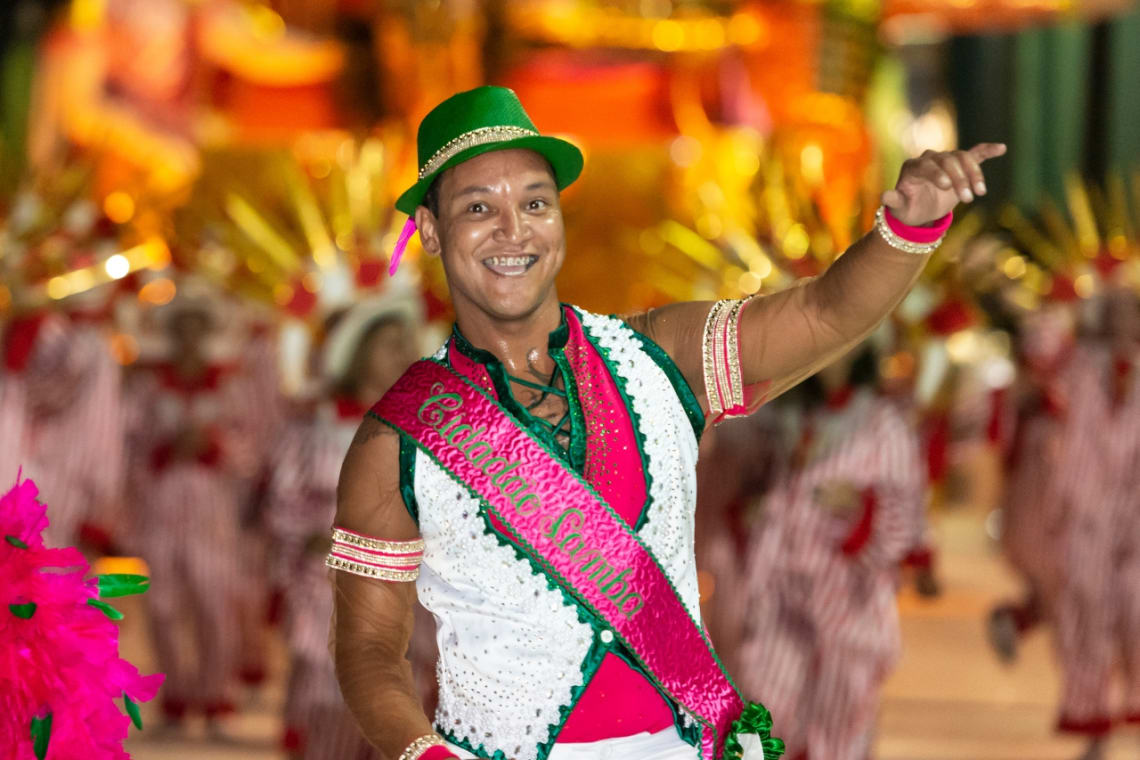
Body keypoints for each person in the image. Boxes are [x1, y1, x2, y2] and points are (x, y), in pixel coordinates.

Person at [329, 85, 1004, 760]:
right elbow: (368, 648)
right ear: (431, 229)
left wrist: (908, 228)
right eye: (479, 208)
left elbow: (824, 314)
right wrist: (425, 754)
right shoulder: (396, 442)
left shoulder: (657, 355)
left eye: (534, 203)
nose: (514, 230)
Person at [734, 346, 925, 760]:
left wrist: (860, 508)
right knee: (763, 704)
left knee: (840, 724)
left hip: (848, 601)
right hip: (779, 589)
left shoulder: (882, 424)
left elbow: (903, 517)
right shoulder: (786, 415)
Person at [266, 296, 425, 760]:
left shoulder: (427, 429)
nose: (403, 354)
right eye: (389, 344)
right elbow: (284, 503)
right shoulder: (317, 426)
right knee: (331, 695)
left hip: (409, 593)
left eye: (407, 344)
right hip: (328, 584)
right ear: (357, 353)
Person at [123, 294, 256, 736]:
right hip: (161, 502)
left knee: (214, 601)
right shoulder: (149, 386)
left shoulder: (229, 385)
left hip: (212, 506)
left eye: (197, 328)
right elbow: (130, 442)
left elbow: (252, 445)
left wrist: (215, 447)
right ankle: (176, 698)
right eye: (182, 328)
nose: (189, 338)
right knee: (163, 604)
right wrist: (163, 451)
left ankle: (215, 697)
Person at [1049, 287, 1140, 760]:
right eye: (1115, 312)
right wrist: (1071, 300)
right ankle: (1094, 722)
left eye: (1132, 313)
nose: (1123, 323)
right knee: (1087, 616)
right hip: (1086, 514)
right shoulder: (1081, 365)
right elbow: (1040, 352)